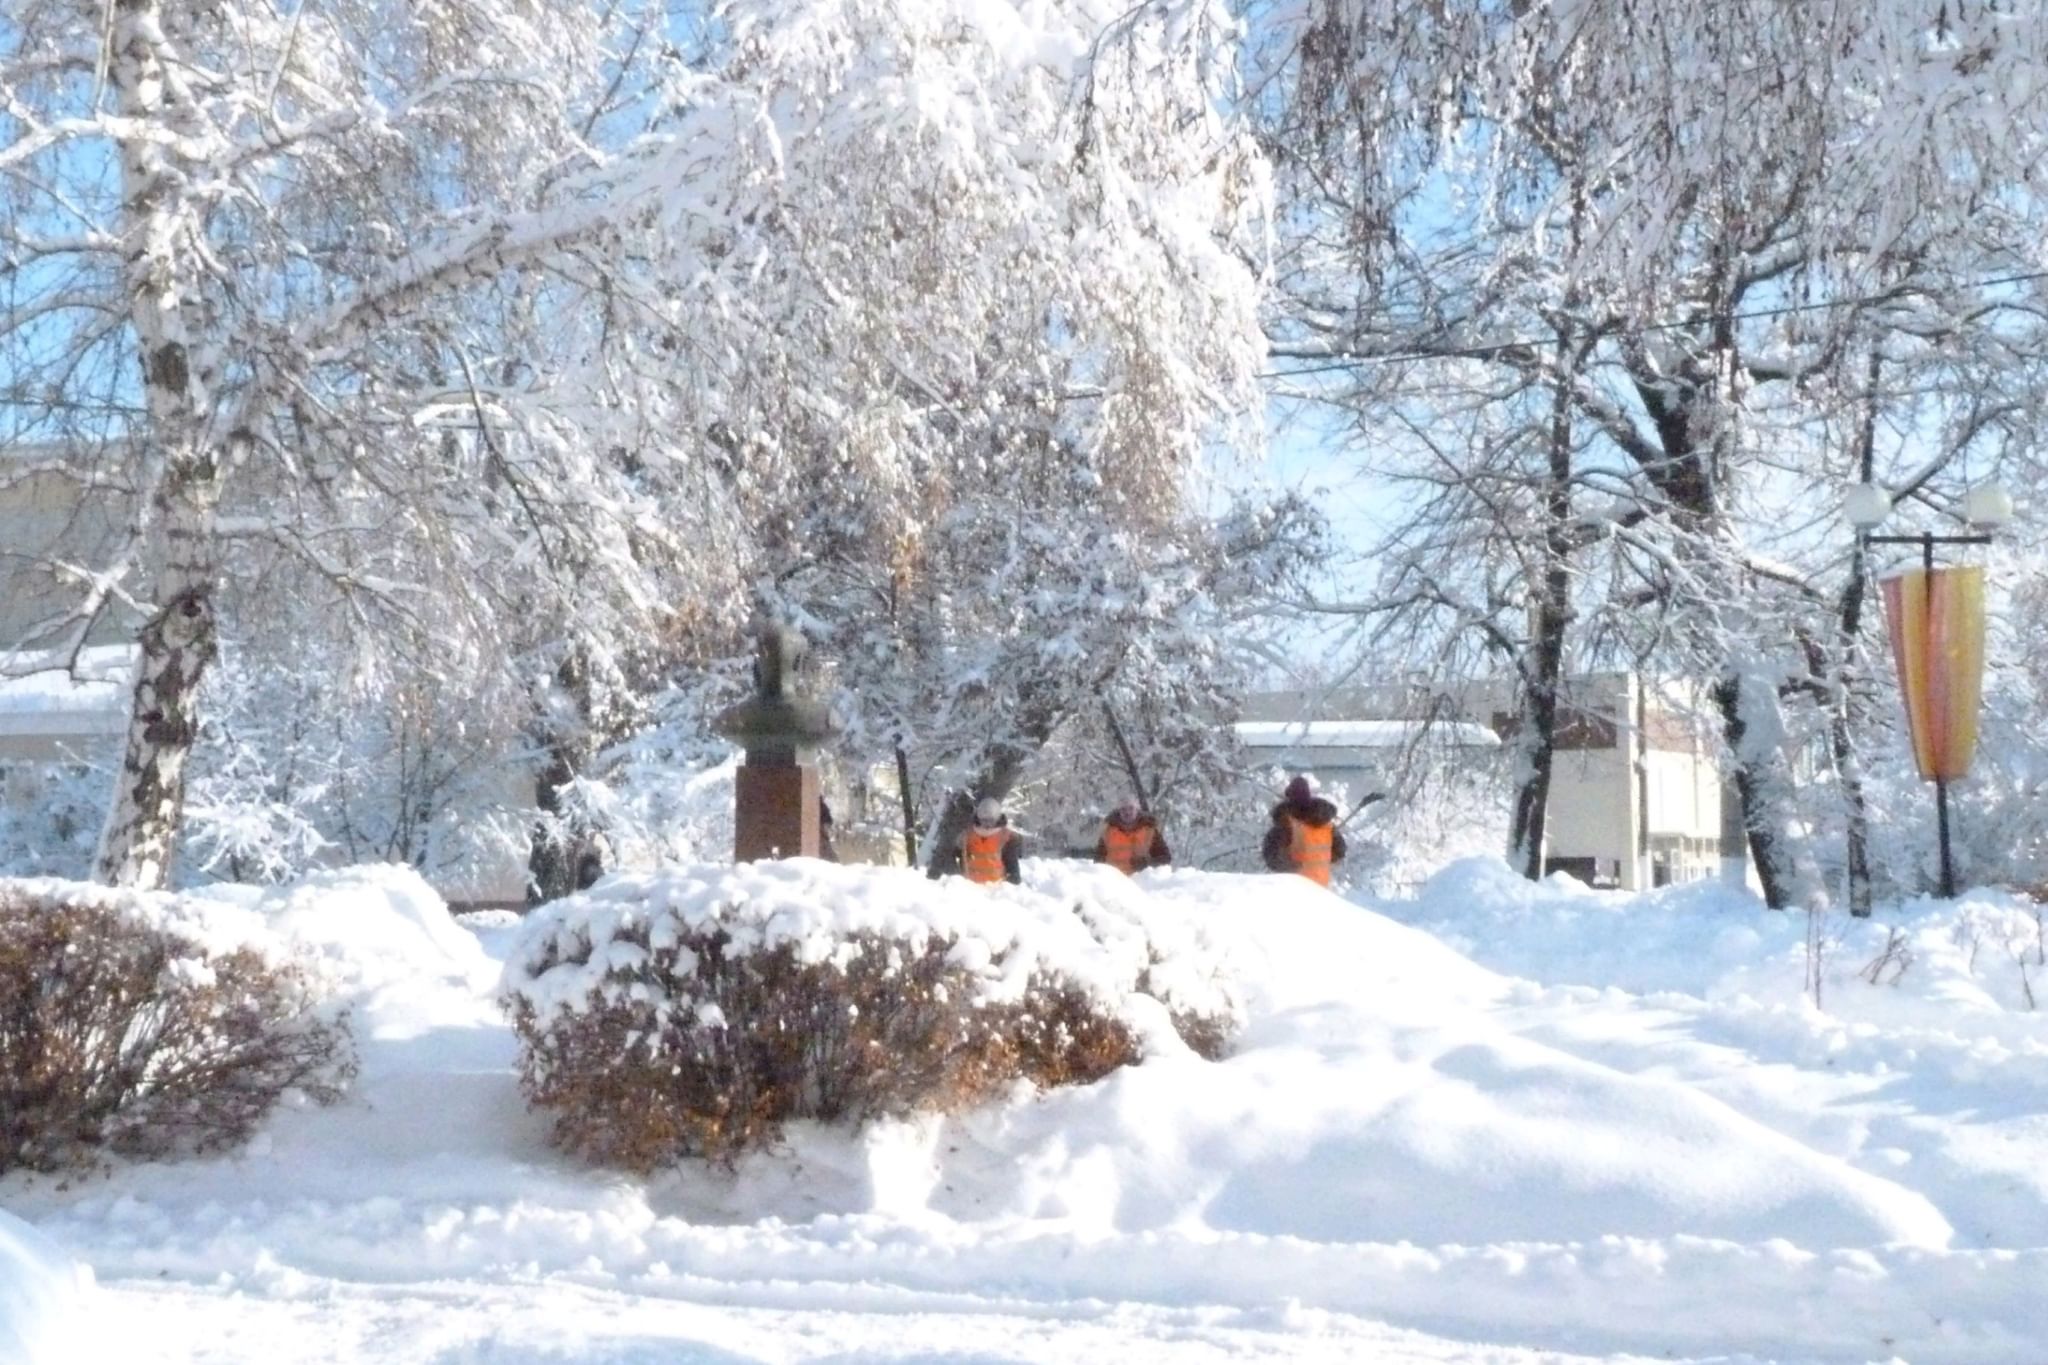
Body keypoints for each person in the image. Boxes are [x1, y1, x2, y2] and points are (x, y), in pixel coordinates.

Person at [1262, 774, 1346, 886]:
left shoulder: (1286, 825)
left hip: (1295, 887)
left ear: (1289, 798)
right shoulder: (1327, 826)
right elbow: (1340, 851)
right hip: (1321, 886)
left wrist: (1292, 866)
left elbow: (1271, 858)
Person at [942, 795, 1022, 885]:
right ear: (979, 817)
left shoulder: (1006, 837)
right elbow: (950, 855)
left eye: (990, 820)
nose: (987, 824)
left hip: (996, 889)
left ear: (997, 818)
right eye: (984, 820)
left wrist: (1008, 888)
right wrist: (957, 876)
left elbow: (1013, 868)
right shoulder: (967, 835)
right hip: (969, 887)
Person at [1094, 798, 1170, 875]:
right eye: (1123, 809)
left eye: (1131, 808)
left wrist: (1147, 863)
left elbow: (1165, 858)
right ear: (1118, 811)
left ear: (1137, 809)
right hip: (1113, 880)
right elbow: (1098, 862)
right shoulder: (1108, 832)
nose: (1127, 812)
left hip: (1141, 882)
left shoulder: (1150, 831)